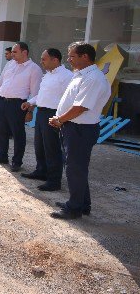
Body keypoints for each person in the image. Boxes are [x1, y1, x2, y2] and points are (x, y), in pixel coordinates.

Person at [48, 42, 111, 219]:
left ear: (85, 57)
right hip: (72, 127)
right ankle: (82, 203)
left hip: (81, 129)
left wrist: (60, 119)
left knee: (75, 168)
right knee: (77, 168)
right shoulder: (81, 75)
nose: (68, 59)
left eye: (72, 56)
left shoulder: (93, 78)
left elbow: (81, 107)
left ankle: (74, 208)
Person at [20, 49, 72, 191]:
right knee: (40, 145)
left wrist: (61, 118)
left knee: (52, 147)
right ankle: (41, 171)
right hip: (42, 112)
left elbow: (69, 99)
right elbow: (42, 95)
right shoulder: (47, 75)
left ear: (55, 60)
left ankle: (54, 180)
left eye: (44, 59)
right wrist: (30, 102)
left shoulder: (66, 76)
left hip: (54, 113)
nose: (41, 62)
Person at [0, 42, 42, 171]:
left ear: (24, 52)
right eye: (12, 52)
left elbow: (35, 93)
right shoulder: (10, 64)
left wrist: (30, 111)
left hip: (17, 104)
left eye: (15, 52)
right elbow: (0, 83)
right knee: (1, 131)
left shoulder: (34, 69)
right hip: (1, 101)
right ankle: (2, 155)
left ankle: (17, 161)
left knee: (18, 133)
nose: (12, 54)